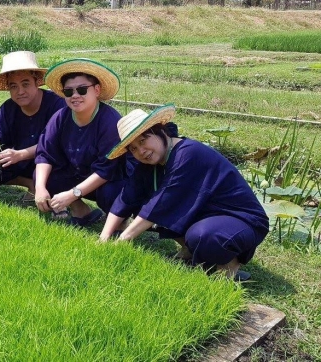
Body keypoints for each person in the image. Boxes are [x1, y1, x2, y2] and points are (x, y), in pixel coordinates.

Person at [99, 105, 269, 281]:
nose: (141, 151)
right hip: (208, 215)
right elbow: (127, 197)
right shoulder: (151, 163)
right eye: (133, 149)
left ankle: (229, 265)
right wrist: (104, 238)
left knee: (203, 235)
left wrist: (122, 241)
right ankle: (190, 251)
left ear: (161, 131)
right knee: (146, 205)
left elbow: (162, 202)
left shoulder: (187, 153)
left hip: (242, 220)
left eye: (143, 140)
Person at [34, 58, 129, 228]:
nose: (75, 95)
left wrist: (72, 194)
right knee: (41, 175)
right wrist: (40, 187)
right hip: (75, 174)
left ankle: (119, 221)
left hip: (105, 181)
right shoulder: (61, 117)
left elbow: (106, 170)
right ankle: (81, 211)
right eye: (69, 92)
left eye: (82, 90)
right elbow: (45, 154)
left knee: (112, 192)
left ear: (97, 90)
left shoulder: (110, 122)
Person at [0, 51, 64, 198]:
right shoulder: (8, 109)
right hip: (19, 161)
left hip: (50, 161)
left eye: (25, 84)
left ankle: (46, 188)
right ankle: (29, 183)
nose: (20, 91)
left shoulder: (56, 105)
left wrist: (20, 154)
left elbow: (56, 144)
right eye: (13, 86)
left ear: (36, 82)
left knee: (51, 168)